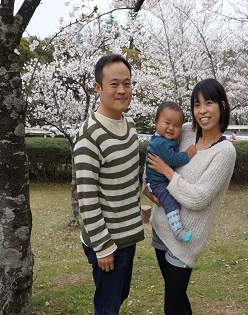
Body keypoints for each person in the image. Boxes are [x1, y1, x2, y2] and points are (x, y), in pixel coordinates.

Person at [144, 78, 236, 314]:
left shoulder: (225, 151)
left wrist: (166, 171)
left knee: (172, 308)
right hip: (160, 226)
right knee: (178, 299)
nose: (202, 111)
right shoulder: (185, 132)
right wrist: (147, 186)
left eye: (209, 103)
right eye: (196, 104)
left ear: (222, 106)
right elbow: (155, 148)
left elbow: (199, 198)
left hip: (185, 242)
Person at [73, 54, 145, 315]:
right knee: (107, 307)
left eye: (127, 83)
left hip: (128, 235)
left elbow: (130, 177)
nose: (122, 90)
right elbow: (87, 198)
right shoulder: (89, 136)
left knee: (119, 296)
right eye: (114, 84)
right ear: (98, 87)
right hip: (107, 241)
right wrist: (103, 247)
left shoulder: (130, 126)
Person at [145, 101, 197, 242]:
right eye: (167, 123)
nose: (171, 128)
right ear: (156, 122)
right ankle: (178, 231)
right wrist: (187, 154)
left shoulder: (163, 139)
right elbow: (172, 159)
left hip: (158, 180)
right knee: (170, 202)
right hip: (157, 183)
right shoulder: (161, 143)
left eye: (176, 125)